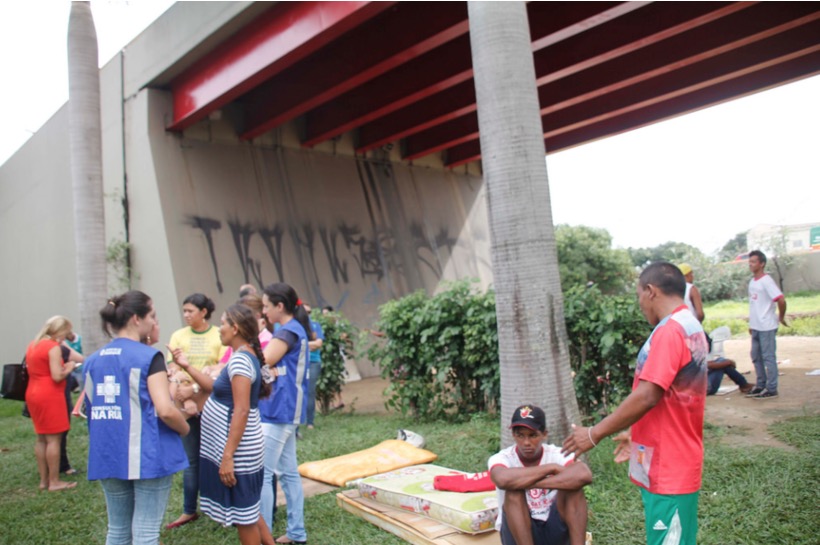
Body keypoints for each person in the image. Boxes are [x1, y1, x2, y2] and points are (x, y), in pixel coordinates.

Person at [563, 262, 708, 545]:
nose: (640, 304)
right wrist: (637, 431)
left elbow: (648, 394)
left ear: (651, 291)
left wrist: (594, 433)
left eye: (639, 295)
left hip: (671, 467)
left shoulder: (671, 331)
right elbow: (676, 395)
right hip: (669, 458)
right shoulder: (689, 325)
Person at [84, 291, 190, 545]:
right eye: (152, 316)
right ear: (136, 319)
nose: (154, 322)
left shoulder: (92, 360)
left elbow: (90, 409)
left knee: (118, 530)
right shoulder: (148, 357)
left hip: (107, 452)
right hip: (147, 453)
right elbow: (165, 409)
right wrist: (184, 427)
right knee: (146, 533)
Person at [170, 304, 275, 545]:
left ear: (235, 328)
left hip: (238, 451)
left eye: (223, 324)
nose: (219, 329)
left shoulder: (240, 361)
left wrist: (228, 456)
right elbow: (212, 386)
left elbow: (241, 410)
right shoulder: (242, 357)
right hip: (238, 448)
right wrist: (186, 365)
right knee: (248, 508)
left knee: (245, 519)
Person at [489, 405, 591, 545]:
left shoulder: (557, 454)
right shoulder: (503, 458)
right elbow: (501, 479)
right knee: (513, 492)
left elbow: (584, 475)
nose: (526, 442)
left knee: (574, 490)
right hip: (518, 535)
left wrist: (529, 483)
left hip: (553, 529)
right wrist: (551, 468)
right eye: (520, 435)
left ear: (544, 434)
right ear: (513, 435)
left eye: (533, 435)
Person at [166, 292, 226, 529]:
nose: (186, 315)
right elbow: (173, 368)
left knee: (218, 458)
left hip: (211, 402)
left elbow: (218, 371)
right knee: (191, 461)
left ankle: (221, 507)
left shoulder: (218, 335)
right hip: (186, 405)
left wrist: (193, 391)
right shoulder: (178, 336)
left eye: (191, 311)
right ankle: (189, 509)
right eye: (184, 311)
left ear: (204, 312)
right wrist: (185, 394)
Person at [260, 282, 310, 544]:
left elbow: (262, 360)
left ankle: (263, 535)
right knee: (288, 473)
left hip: (280, 411)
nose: (264, 311)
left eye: (267, 306)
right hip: (283, 410)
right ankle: (296, 533)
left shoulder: (287, 333)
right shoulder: (289, 330)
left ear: (280, 306)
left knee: (263, 474)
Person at [25, 315, 82, 491]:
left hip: (33, 391)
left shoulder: (34, 344)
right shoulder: (53, 347)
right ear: (60, 331)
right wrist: (70, 367)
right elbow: (57, 375)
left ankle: (44, 481)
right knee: (54, 440)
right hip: (50, 394)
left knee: (41, 438)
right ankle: (55, 481)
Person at [746, 250, 787, 399]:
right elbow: (753, 304)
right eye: (749, 261)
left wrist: (780, 317)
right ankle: (761, 385)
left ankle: (771, 388)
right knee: (756, 356)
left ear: (762, 264)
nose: (750, 264)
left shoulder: (767, 281)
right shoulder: (752, 281)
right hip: (756, 325)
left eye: (754, 262)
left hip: (767, 326)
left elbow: (781, 300)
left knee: (768, 357)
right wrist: (751, 323)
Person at [303, 303, 324, 430]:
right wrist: (311, 344)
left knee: (310, 391)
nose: (307, 315)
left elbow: (319, 344)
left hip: (313, 362)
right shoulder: (297, 326)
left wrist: (303, 345)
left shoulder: (315, 325)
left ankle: (310, 421)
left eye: (309, 312)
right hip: (299, 363)